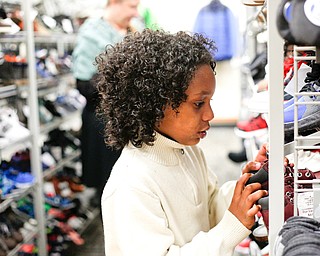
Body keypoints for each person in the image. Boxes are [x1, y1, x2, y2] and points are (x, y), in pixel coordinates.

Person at [95, 29, 268, 255]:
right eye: (199, 104)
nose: (210, 115)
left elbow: (209, 207)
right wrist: (230, 227)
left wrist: (246, 187)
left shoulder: (188, 150)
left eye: (210, 102)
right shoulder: (131, 185)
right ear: (155, 104)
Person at [71, 0, 140, 206]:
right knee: (110, 185)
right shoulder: (91, 33)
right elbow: (84, 85)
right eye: (132, 6)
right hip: (104, 121)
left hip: (133, 120)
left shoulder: (134, 31)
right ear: (114, 3)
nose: (135, 13)